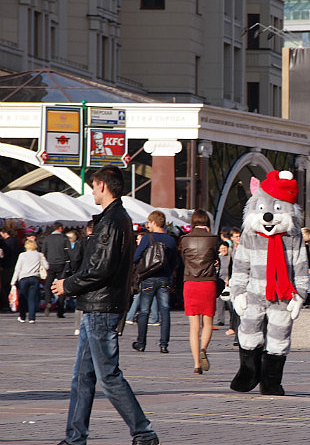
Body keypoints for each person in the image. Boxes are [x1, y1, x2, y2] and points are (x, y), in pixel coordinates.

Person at [50, 165, 159, 445]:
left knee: (108, 376)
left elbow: (100, 268)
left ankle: (144, 432)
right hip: (95, 306)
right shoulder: (115, 218)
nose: (92, 192)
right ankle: (75, 437)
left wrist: (68, 285)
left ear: (102, 185)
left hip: (102, 307)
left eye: (93, 186)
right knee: (82, 377)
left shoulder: (112, 221)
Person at [132, 210, 178, 353]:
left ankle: (141, 343)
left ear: (153, 222)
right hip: (164, 278)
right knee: (164, 311)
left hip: (148, 278)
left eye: (149, 222)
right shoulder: (171, 240)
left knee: (144, 311)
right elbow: (175, 261)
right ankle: (164, 345)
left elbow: (136, 257)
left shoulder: (147, 238)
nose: (148, 225)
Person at [179, 209, 219, 374]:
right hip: (208, 282)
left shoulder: (185, 239)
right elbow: (215, 258)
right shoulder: (213, 239)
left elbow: (184, 260)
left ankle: (196, 365)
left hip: (190, 283)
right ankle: (203, 349)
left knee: (193, 327)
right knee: (207, 323)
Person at [11, 239, 48, 323]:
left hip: (23, 278)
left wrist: (13, 281)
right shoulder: (40, 255)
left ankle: (22, 316)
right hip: (35, 278)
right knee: (32, 298)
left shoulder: (22, 255)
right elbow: (47, 266)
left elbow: (18, 268)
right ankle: (32, 318)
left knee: (23, 298)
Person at [42, 221, 72, 318]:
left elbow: (43, 252)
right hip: (62, 264)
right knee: (61, 285)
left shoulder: (47, 238)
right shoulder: (64, 238)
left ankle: (48, 301)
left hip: (50, 264)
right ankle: (60, 309)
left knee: (48, 285)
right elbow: (69, 252)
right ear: (60, 228)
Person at [0, 228, 20, 311]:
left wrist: (2, 264)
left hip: (7, 266)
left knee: (4, 285)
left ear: (4, 233)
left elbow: (6, 255)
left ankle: (5, 304)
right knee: (11, 285)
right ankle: (12, 303)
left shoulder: (6, 243)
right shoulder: (15, 241)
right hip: (14, 265)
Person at [213, 241, 232, 327]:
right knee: (219, 303)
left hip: (229, 282)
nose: (224, 250)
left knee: (230, 304)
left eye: (225, 248)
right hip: (220, 282)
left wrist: (228, 279)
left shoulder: (230, 258)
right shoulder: (217, 258)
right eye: (222, 248)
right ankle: (220, 320)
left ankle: (232, 322)